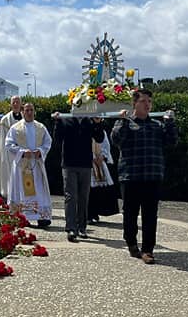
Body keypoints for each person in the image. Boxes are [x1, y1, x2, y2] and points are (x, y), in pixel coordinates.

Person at [111, 89, 178, 264]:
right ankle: (132, 243)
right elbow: (117, 140)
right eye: (143, 101)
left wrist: (170, 123)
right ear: (134, 104)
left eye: (149, 101)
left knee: (150, 214)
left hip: (152, 175)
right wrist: (123, 121)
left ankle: (148, 249)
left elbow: (171, 141)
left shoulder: (157, 125)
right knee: (130, 213)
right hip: (130, 176)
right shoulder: (124, 121)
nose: (147, 104)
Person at [53, 112, 106, 242]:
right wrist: (57, 122)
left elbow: (99, 138)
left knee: (83, 196)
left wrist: (98, 124)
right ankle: (71, 228)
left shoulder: (90, 121)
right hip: (69, 164)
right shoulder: (66, 120)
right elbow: (57, 140)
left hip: (85, 164)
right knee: (71, 196)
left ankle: (82, 227)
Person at [6, 102, 52, 227]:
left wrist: (41, 151)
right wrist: (21, 152)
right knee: (21, 190)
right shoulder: (15, 128)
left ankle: (41, 217)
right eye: (26, 110)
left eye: (31, 110)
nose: (29, 112)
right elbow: (9, 144)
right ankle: (21, 217)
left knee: (38, 190)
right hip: (22, 165)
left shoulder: (41, 127)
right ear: (22, 112)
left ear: (34, 112)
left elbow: (48, 142)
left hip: (36, 165)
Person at [0, 95, 23, 198]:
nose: (15, 104)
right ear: (11, 104)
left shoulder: (26, 118)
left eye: (17, 102)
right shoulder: (5, 121)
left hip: (24, 156)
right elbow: (2, 142)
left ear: (21, 104)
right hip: (9, 156)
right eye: (13, 102)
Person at [88, 129, 119, 222]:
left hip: (99, 161)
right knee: (88, 189)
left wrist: (103, 156)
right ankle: (88, 213)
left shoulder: (101, 131)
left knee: (99, 189)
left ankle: (96, 212)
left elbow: (106, 145)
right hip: (87, 163)